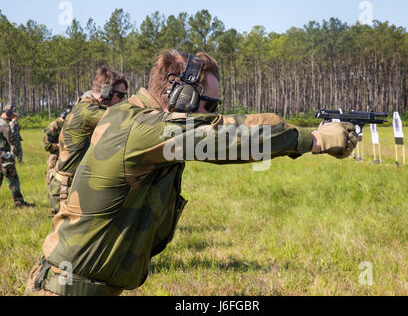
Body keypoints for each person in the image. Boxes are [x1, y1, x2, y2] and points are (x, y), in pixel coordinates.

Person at [25, 50, 358, 296]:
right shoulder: (139, 127)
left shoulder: (140, 122)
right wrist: (314, 139)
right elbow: (223, 137)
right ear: (179, 93)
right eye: (209, 105)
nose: (211, 114)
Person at [46, 66, 128, 215]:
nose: (123, 100)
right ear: (107, 92)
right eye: (121, 96)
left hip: (70, 187)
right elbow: (126, 120)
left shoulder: (86, 107)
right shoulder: (89, 111)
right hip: (67, 189)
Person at [0, 105, 34, 209]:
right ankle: (19, 202)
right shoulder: (4, 124)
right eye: (13, 115)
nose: (13, 117)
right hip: (4, 157)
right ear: (9, 113)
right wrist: (14, 127)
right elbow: (13, 140)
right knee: (13, 179)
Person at [43, 105, 73, 183]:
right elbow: (47, 146)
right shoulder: (53, 126)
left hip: (63, 156)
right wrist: (60, 146)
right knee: (54, 181)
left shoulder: (66, 125)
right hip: (55, 157)